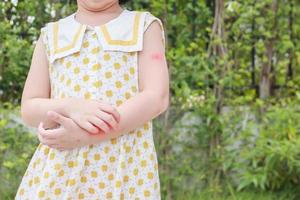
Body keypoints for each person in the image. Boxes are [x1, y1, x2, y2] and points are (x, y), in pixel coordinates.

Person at [15, 0, 169, 199]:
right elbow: (29, 107)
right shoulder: (50, 36)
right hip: (59, 171)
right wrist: (70, 107)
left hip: (125, 172)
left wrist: (87, 135)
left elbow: (156, 97)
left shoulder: (145, 26)